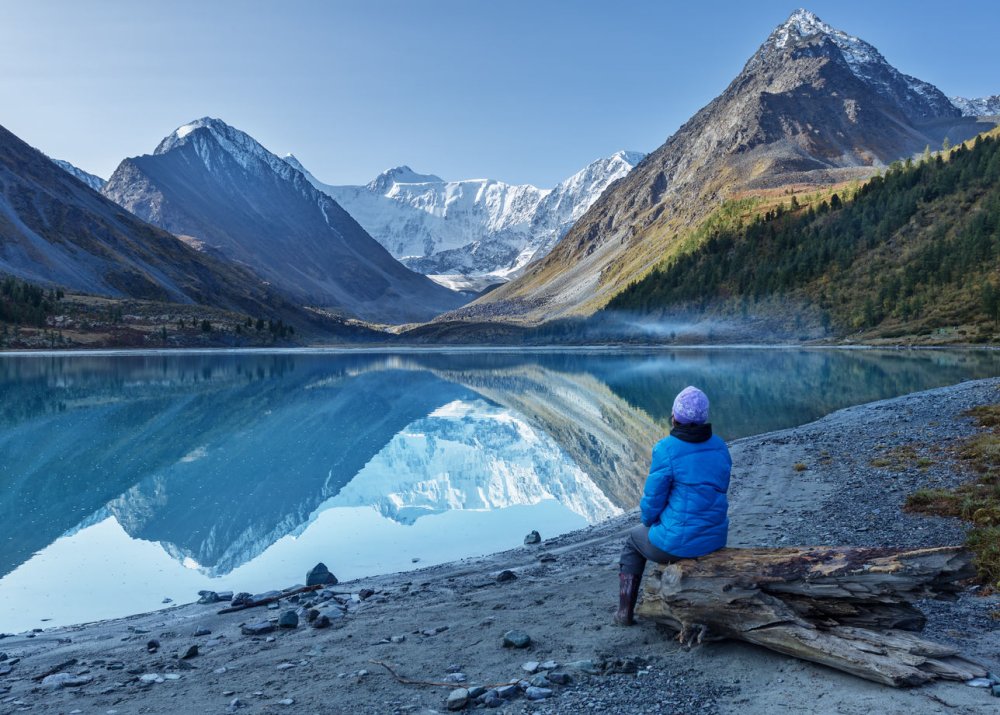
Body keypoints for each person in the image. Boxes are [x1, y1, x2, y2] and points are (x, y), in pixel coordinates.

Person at [614, 385, 732, 626]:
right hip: (715, 539)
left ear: (675, 416)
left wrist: (649, 523)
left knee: (633, 541)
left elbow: (652, 501)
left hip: (680, 542)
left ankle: (624, 614)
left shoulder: (666, 449)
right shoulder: (720, 446)